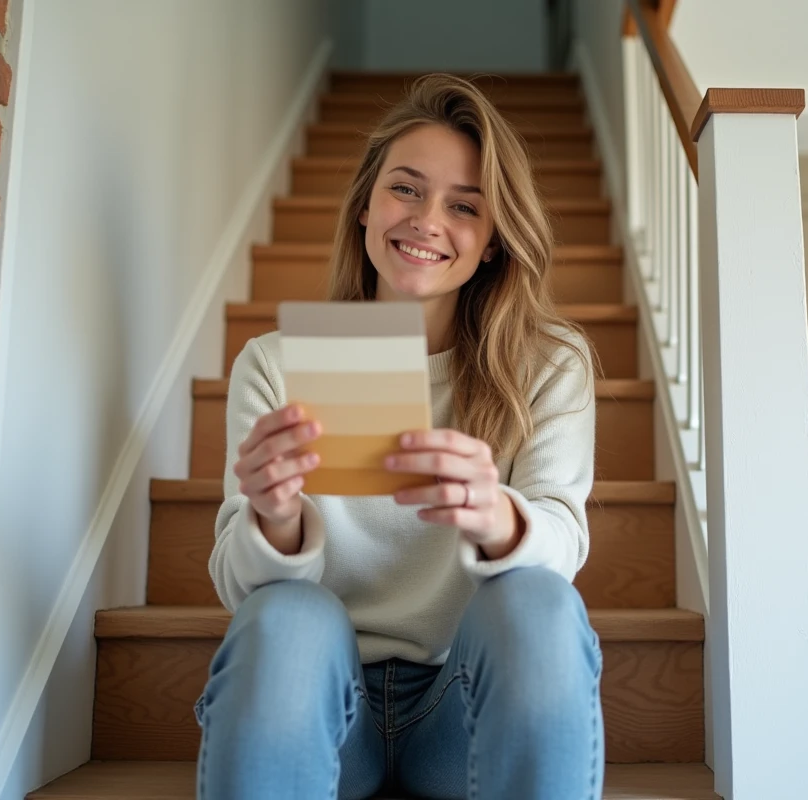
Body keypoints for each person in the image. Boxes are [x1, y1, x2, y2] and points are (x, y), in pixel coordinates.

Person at [196, 73, 602, 800]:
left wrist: (499, 516)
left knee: (537, 602)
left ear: (490, 245)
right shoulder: (274, 363)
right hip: (325, 706)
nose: (426, 220)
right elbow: (240, 591)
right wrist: (275, 518)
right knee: (286, 616)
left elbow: (562, 547)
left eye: (465, 206)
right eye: (405, 189)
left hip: (462, 707)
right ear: (364, 208)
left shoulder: (549, 365)